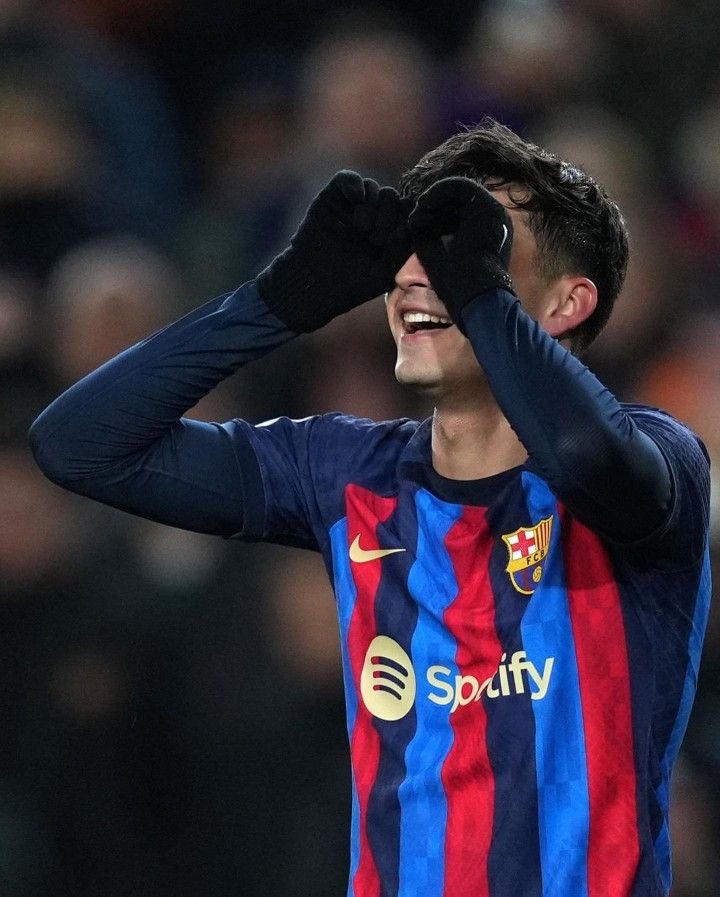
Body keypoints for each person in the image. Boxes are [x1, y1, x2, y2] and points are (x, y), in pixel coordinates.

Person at [29, 119, 711, 897]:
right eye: (419, 250)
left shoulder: (662, 463)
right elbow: (80, 444)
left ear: (566, 303)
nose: (421, 274)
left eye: (472, 246)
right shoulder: (345, 471)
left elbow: (588, 454)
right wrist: (274, 302)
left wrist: (481, 298)